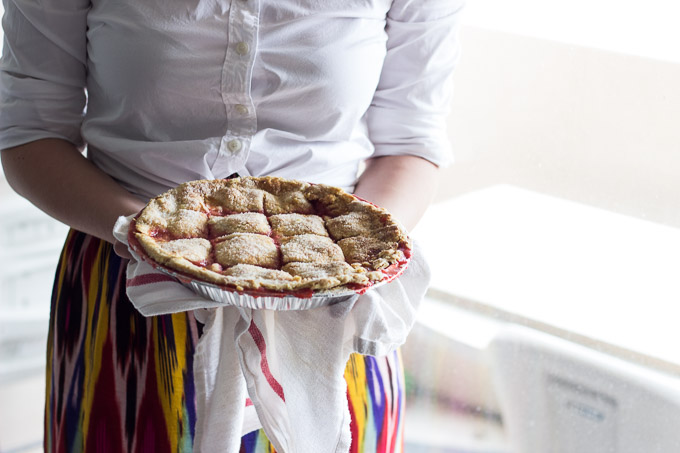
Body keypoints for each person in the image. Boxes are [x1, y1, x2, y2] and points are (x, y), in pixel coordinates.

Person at [0, 0, 464, 451]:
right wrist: (146, 234)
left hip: (337, 304)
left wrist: (349, 256)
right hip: (130, 279)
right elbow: (29, 131)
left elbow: (411, 137)